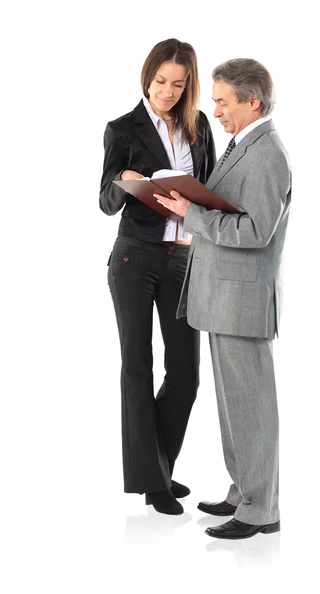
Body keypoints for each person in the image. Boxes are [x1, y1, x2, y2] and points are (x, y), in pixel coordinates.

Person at [155, 58, 291, 538]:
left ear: (252, 101)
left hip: (243, 302)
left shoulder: (268, 152)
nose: (214, 110)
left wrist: (192, 214)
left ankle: (261, 509)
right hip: (223, 299)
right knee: (236, 406)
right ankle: (244, 491)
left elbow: (256, 230)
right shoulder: (243, 146)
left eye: (222, 100)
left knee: (252, 406)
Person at [99, 39, 216, 515]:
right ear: (147, 77)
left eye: (178, 83)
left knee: (186, 375)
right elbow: (104, 203)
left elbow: (205, 191)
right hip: (134, 258)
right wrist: (123, 183)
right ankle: (153, 483)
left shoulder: (199, 126)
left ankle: (158, 469)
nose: (167, 92)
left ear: (189, 85)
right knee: (137, 367)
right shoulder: (122, 128)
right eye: (160, 81)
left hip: (183, 258)